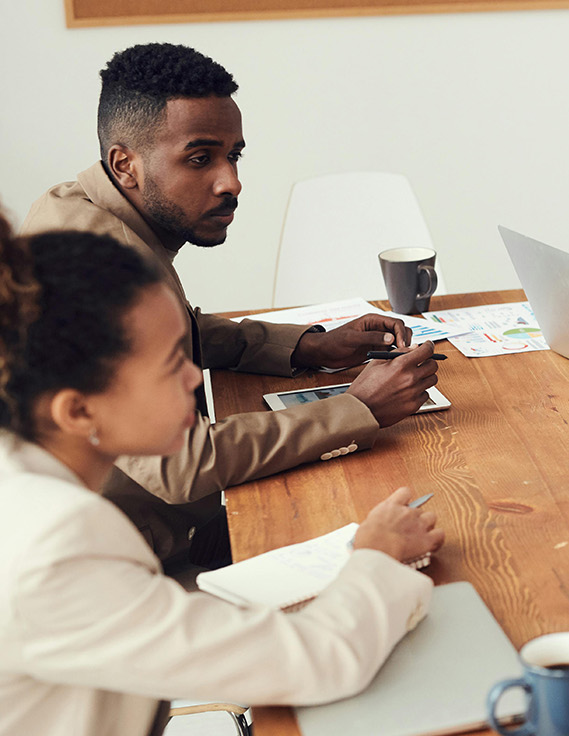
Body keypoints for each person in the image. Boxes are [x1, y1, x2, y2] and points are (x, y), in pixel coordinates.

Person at [0, 221, 446, 735]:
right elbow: (317, 661)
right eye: (173, 365)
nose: (196, 379)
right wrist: (378, 557)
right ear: (78, 410)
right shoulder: (55, 547)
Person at [22, 43, 439, 565]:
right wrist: (358, 409)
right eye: (200, 159)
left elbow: (174, 332)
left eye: (233, 155)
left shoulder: (84, 209)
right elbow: (181, 465)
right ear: (124, 164)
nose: (231, 182)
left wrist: (311, 346)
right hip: (149, 560)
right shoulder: (90, 267)